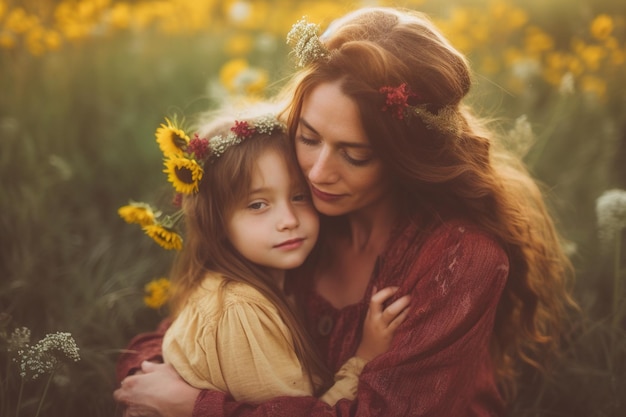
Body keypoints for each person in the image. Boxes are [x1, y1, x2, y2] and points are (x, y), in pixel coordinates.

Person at [114, 6, 577, 417]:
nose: (316, 173)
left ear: (406, 158)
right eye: (309, 137)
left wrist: (198, 408)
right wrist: (151, 375)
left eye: (355, 155)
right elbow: (186, 330)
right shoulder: (290, 220)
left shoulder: (457, 261)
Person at [115, 103, 410, 415]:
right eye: (257, 205)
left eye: (299, 196)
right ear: (216, 222)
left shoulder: (263, 279)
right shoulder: (239, 311)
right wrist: (364, 357)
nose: (288, 220)